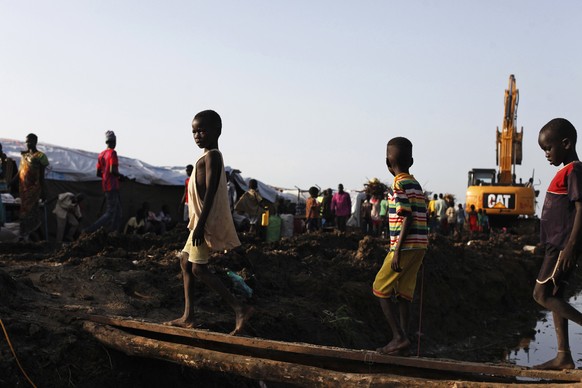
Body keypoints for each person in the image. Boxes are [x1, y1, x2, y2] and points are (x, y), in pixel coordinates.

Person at [165, 109, 253, 334]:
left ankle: (239, 308)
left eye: (202, 131)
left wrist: (201, 225)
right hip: (198, 221)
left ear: (217, 131)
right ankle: (188, 316)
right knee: (185, 262)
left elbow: (212, 191)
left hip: (204, 221)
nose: (197, 135)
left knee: (199, 269)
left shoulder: (213, 156)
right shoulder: (202, 157)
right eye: (194, 132)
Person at [533, 118, 582, 370]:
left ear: (565, 143)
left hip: (561, 247)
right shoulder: (566, 171)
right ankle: (564, 355)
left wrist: (570, 246)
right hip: (556, 245)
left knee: (541, 295)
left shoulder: (574, 170)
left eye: (548, 148)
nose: (546, 154)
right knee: (555, 296)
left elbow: (580, 208)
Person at [373, 137, 428, 355]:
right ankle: (405, 338)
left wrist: (396, 250)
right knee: (404, 293)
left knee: (380, 288)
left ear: (387, 162)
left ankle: (398, 337)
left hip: (403, 247)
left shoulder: (398, 184)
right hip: (420, 246)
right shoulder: (416, 184)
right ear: (411, 161)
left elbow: (406, 216)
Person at [85, 131, 124, 234]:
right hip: (113, 186)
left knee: (118, 212)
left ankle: (113, 232)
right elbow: (113, 170)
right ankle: (89, 230)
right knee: (111, 212)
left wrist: (106, 176)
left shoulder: (101, 155)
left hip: (106, 185)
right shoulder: (112, 153)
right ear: (114, 141)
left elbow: (98, 173)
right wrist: (121, 176)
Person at [17, 133, 49, 241]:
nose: (27, 144)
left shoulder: (40, 156)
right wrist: (12, 182)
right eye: (26, 141)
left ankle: (28, 238)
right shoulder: (24, 156)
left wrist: (44, 191)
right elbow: (20, 172)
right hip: (24, 190)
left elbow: (42, 176)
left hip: (34, 190)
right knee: (26, 213)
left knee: (29, 214)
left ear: (35, 141)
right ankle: (38, 240)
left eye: (29, 141)